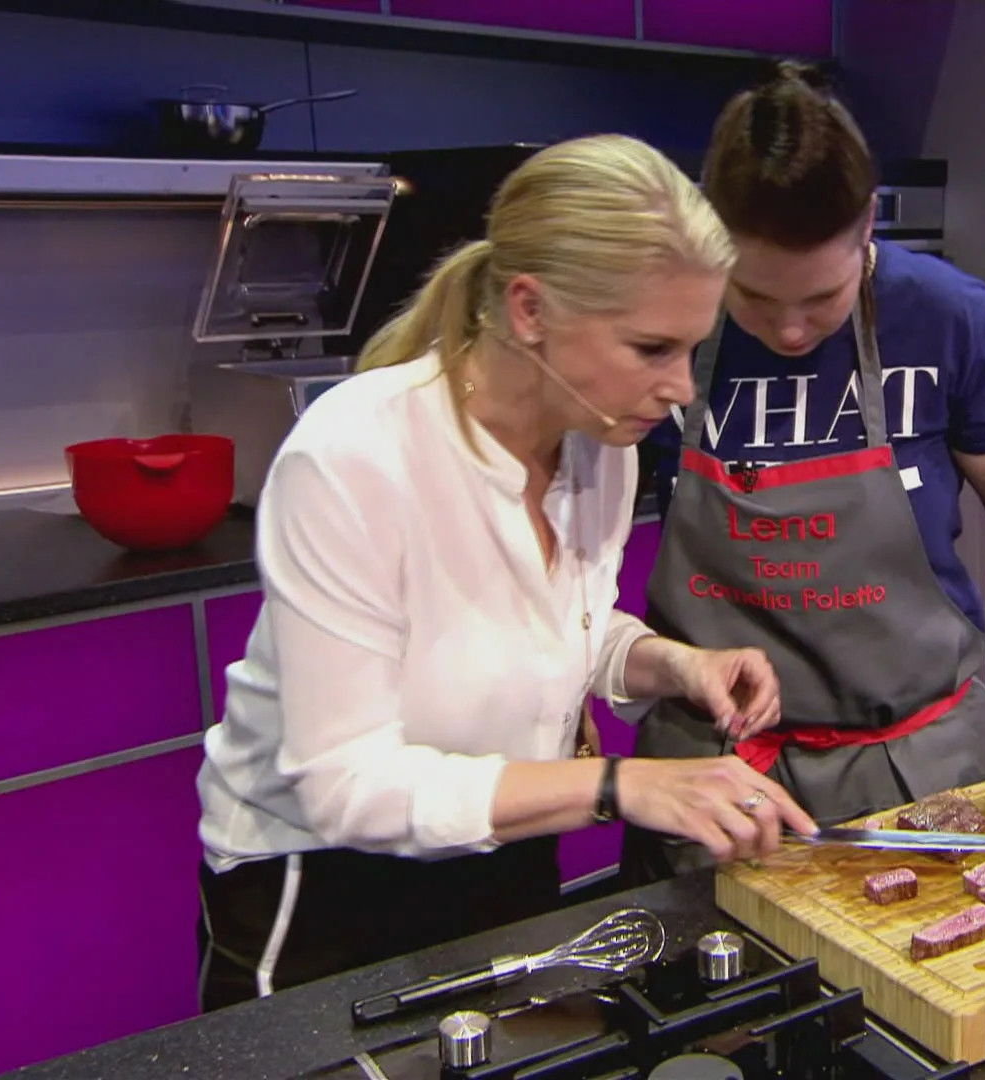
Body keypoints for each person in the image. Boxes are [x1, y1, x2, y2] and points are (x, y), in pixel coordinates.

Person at [194, 134, 815, 1012]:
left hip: (510, 836)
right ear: (529, 310)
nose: (682, 387)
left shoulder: (602, 445)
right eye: (651, 348)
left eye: (692, 349)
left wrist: (675, 664)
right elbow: (344, 787)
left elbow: (564, 628)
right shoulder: (355, 455)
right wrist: (619, 785)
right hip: (325, 883)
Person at [626, 66, 985, 874]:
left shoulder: (941, 319)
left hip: (921, 770)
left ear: (869, 223)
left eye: (822, 297)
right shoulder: (663, 326)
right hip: (717, 782)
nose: (791, 330)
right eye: (755, 296)